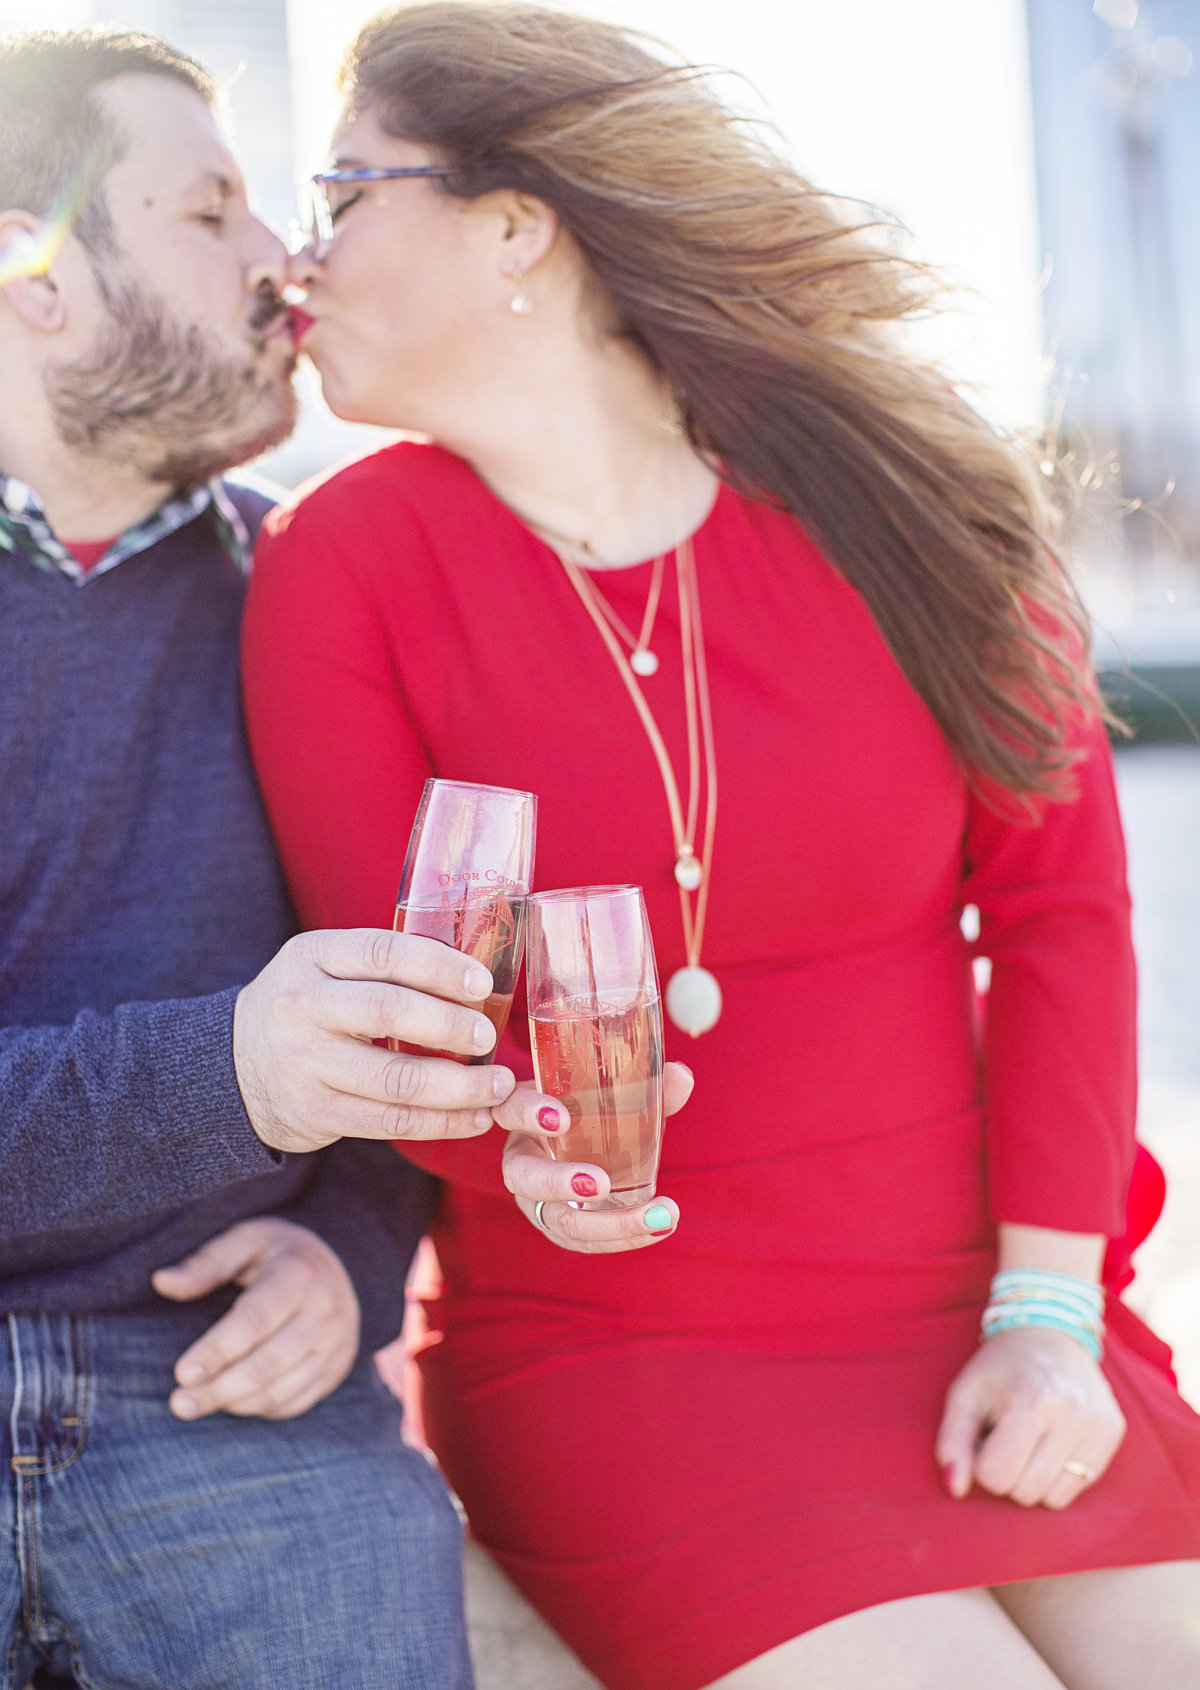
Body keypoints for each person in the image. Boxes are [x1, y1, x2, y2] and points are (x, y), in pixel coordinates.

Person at [241, 5, 1200, 1689]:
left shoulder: (910, 502)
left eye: (343, 191)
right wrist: (514, 1147)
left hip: (1000, 1306)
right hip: (629, 1357)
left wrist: (1049, 1319)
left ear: (514, 224)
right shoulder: (344, 567)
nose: (297, 255)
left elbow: (1062, 918)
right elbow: (408, 1003)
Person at [0, 27, 579, 1690]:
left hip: (224, 1395)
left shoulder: (320, 591)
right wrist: (233, 1069)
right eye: (212, 213)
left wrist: (348, 1236)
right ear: (37, 278)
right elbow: (269, 1055)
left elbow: (420, 979)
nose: (287, 257)